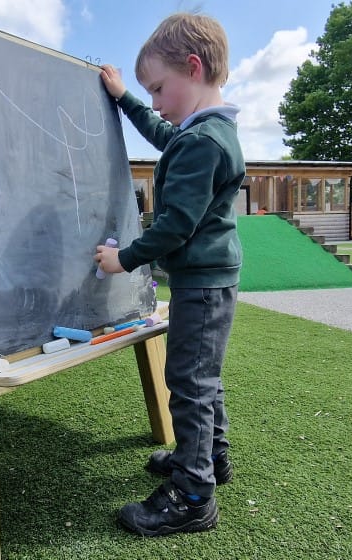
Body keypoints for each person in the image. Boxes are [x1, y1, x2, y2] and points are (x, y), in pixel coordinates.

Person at [94, 12, 243, 537]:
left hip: (202, 283)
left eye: (158, 88)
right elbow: (162, 131)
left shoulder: (202, 141)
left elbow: (177, 224)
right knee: (202, 378)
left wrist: (124, 258)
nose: (155, 102)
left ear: (194, 68)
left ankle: (193, 495)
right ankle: (210, 459)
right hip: (209, 279)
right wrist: (126, 99)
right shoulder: (204, 131)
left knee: (189, 382)